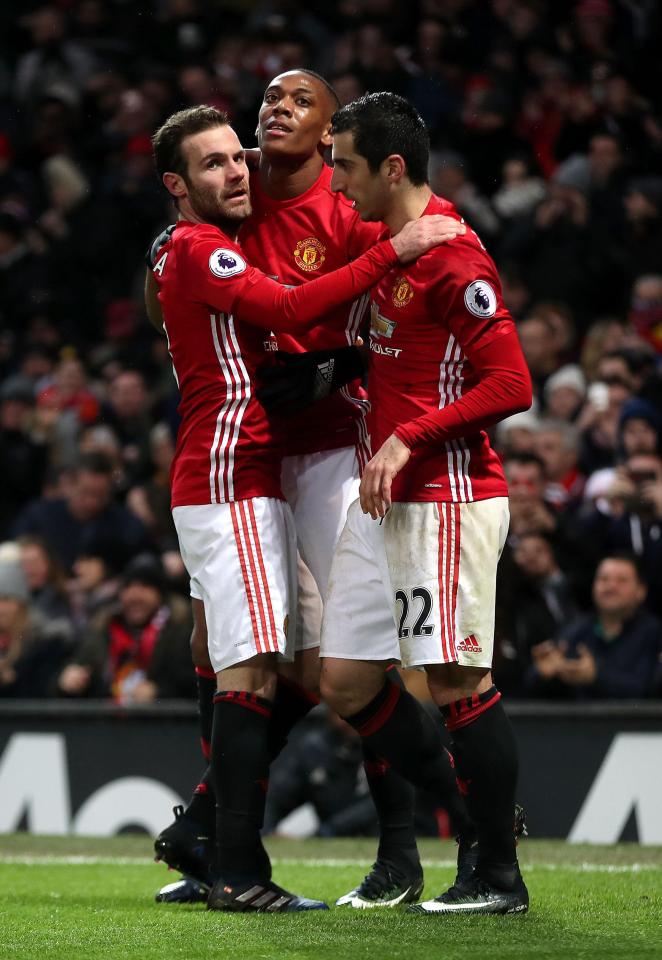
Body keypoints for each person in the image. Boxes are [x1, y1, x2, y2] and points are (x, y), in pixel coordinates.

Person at [151, 71, 466, 911]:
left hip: (326, 449)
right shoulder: (227, 189)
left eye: (301, 102)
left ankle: (398, 851)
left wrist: (346, 364)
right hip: (243, 457)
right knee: (219, 647)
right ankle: (214, 839)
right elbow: (177, 287)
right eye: (270, 100)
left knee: (350, 656)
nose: (277, 111)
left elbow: (398, 311)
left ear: (331, 136)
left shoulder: (350, 209)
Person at [315, 93, 532, 915]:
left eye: (346, 165)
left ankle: (497, 874)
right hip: (381, 500)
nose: (336, 182)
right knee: (345, 681)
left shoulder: (456, 258)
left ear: (391, 167)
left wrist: (410, 438)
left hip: (443, 494)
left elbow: (512, 383)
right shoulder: (385, 242)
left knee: (454, 679)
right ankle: (472, 820)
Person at [524, 554, 662, 699]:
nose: (610, 586)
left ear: (641, 591)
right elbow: (531, 691)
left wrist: (596, 677)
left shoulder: (654, 633)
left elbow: (649, 689)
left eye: (622, 580)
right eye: (604, 579)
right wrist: (541, 674)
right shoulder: (574, 632)